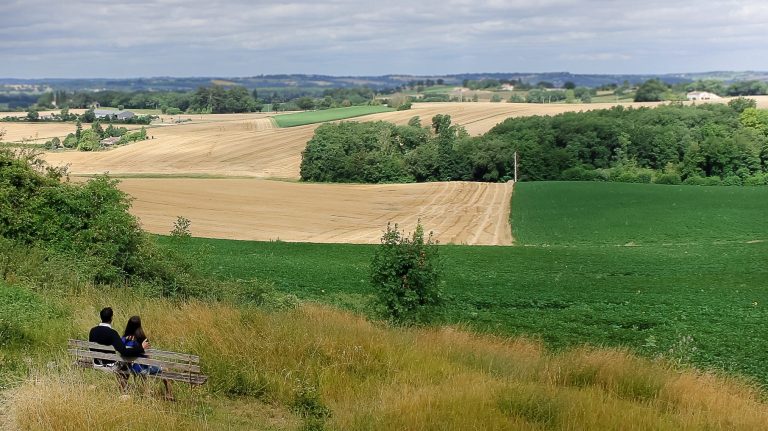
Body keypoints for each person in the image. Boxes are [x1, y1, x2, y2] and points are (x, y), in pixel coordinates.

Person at [88, 307, 148, 390]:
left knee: (123, 363)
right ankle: (123, 389)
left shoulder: (93, 330)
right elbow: (124, 351)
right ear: (111, 318)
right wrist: (141, 348)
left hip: (97, 363)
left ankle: (123, 387)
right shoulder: (112, 333)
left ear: (101, 317)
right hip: (110, 365)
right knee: (126, 363)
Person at [122, 315, 174, 401]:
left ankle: (144, 391)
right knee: (165, 369)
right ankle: (169, 393)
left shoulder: (123, 339)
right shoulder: (142, 339)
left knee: (143, 368)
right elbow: (148, 356)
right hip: (142, 368)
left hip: (130, 368)